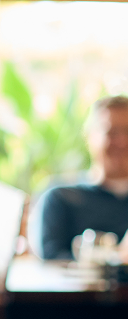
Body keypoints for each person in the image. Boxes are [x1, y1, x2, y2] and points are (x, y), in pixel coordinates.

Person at [31, 95, 128, 261]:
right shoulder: (60, 198)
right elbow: (51, 262)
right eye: (111, 132)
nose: (122, 141)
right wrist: (116, 259)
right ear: (90, 137)